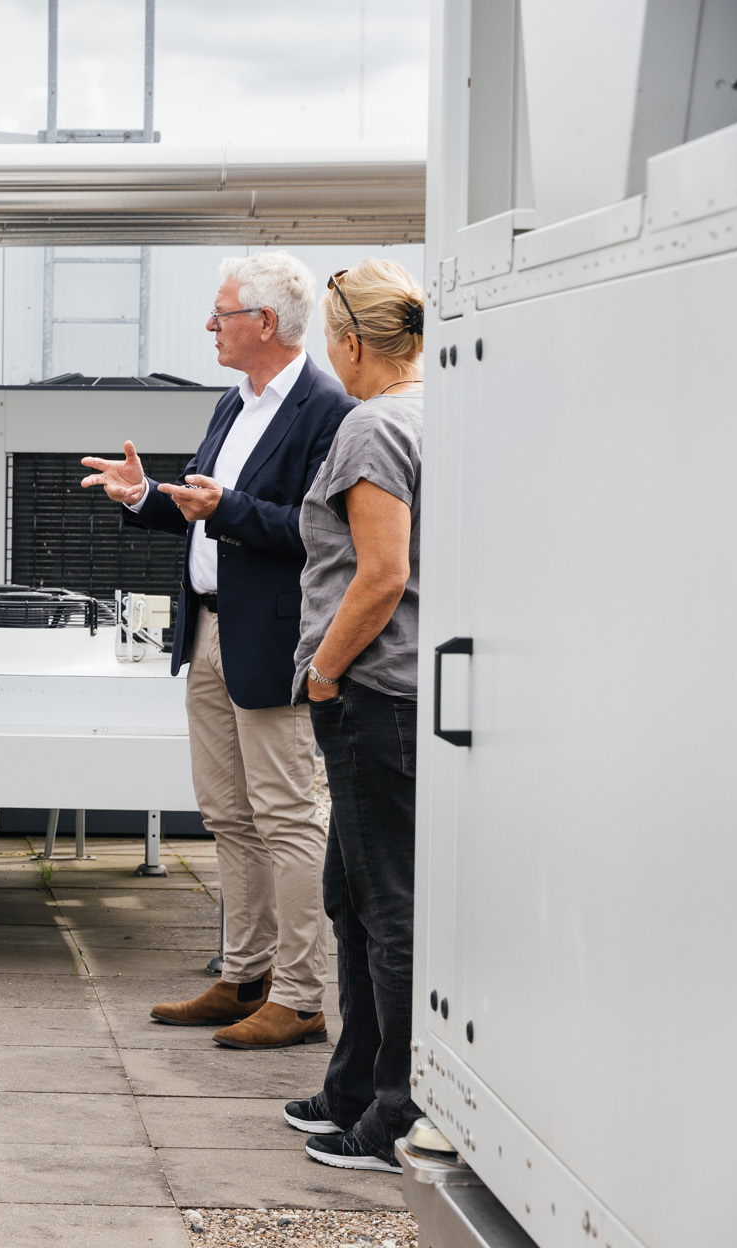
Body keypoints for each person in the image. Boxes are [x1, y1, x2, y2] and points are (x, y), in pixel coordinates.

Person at [81, 252, 355, 1050]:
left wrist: (228, 506)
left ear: (264, 324)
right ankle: (246, 975)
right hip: (207, 630)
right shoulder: (236, 403)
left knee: (286, 818)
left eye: (222, 313)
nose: (210, 326)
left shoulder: (324, 410)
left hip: (272, 640)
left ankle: (302, 997)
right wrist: (146, 498)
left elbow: (319, 533)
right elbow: (212, 513)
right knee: (228, 816)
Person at [284, 260, 426, 1172]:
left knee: (387, 911)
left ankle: (393, 1114)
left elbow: (381, 572)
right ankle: (349, 1085)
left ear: (348, 342)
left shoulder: (373, 426)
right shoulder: (444, 409)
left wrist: (326, 672)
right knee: (351, 896)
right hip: (411, 692)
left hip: (374, 694)